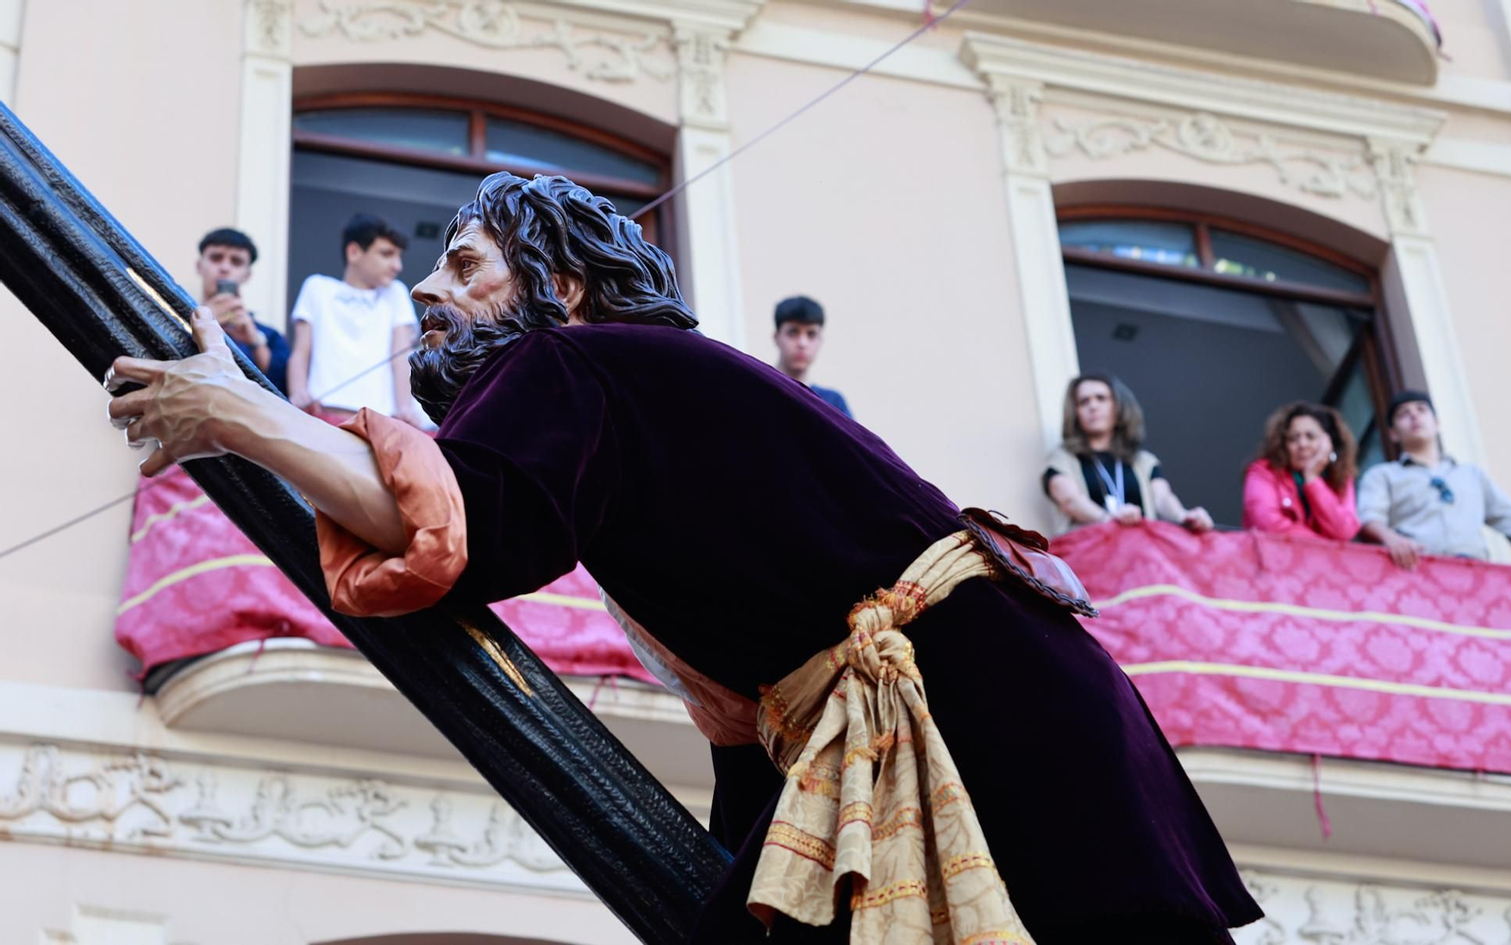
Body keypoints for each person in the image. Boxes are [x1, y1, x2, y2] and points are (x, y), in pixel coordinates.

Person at [106, 172, 1261, 943]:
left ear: (557, 290)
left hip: (977, 705)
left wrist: (241, 413)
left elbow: (449, 528)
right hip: (1001, 695)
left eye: (464, 266)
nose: (427, 292)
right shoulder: (638, 405)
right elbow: (748, 729)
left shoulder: (575, 365)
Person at [1357, 390, 1511, 585]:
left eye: (1421, 410)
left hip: (1477, 576)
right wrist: (1392, 540)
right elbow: (1369, 518)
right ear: (1393, 433)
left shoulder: (1471, 475)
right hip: (1416, 576)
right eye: (1403, 414)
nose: (1414, 416)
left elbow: (1509, 516)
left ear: (1436, 423)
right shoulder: (1382, 475)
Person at [286, 213, 426, 427]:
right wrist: (297, 393)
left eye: (399, 256)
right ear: (354, 252)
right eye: (387, 254)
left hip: (378, 421)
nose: (398, 266)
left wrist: (404, 408)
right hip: (320, 415)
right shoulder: (316, 288)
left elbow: (401, 358)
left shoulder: (396, 293)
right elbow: (301, 352)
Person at [1043, 374, 1214, 533]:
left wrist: (1183, 516)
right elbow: (1070, 501)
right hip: (1089, 557)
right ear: (1075, 413)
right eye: (1083, 401)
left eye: (1101, 398)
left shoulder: (1144, 461)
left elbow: (1162, 498)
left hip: (1141, 554)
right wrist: (1108, 519)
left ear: (1119, 408)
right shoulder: (1062, 460)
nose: (1093, 406)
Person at [1241, 401, 1360, 541]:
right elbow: (1266, 523)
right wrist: (1322, 548)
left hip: (1324, 562)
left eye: (1310, 436)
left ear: (1328, 442)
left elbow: (1344, 531)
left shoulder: (1341, 477)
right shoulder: (1263, 472)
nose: (1302, 444)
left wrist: (1312, 479)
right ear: (1283, 445)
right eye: (1293, 438)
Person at [195, 227, 288, 393]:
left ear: (247, 275)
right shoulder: (174, 319)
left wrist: (255, 342)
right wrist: (204, 321)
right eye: (216, 258)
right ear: (199, 266)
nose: (225, 267)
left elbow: (281, 392)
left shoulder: (271, 337)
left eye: (236, 262)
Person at [772, 295, 852, 418]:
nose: (802, 343)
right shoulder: (759, 392)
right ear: (777, 338)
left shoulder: (834, 403)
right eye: (793, 332)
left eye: (811, 334)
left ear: (820, 341)